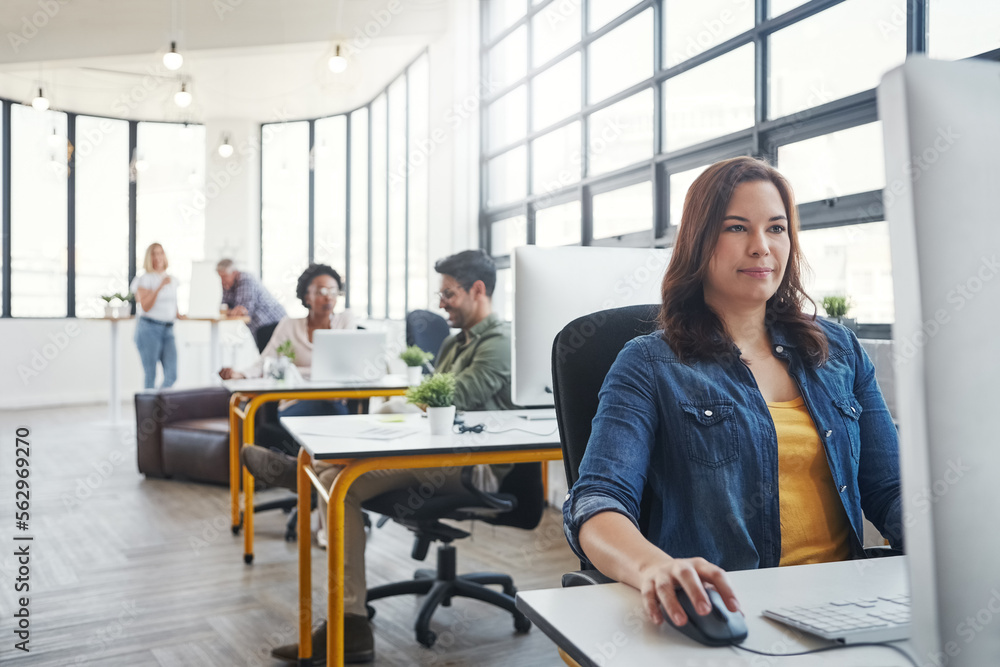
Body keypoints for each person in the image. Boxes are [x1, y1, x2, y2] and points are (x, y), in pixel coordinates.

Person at [562, 156, 902, 631]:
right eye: (737, 228)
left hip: (843, 606)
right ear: (699, 242)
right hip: (729, 608)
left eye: (777, 228)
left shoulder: (838, 349)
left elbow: (891, 489)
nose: (762, 247)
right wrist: (653, 567)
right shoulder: (650, 363)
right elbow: (597, 503)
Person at [254, 249, 515, 664]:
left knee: (343, 484)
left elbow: (449, 396)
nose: (440, 303)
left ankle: (351, 623)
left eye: (448, 294)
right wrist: (408, 407)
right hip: (435, 452)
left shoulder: (500, 341)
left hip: (471, 466)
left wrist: (410, 404)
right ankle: (349, 620)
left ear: (477, 290)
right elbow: (430, 399)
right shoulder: (455, 343)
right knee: (336, 477)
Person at [220, 263, 354, 417]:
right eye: (321, 291)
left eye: (333, 291)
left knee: (333, 411)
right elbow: (266, 361)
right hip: (296, 401)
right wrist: (240, 374)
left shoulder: (345, 321)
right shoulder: (289, 325)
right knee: (328, 412)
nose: (328, 296)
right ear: (307, 297)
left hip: (332, 401)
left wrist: (294, 371)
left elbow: (349, 368)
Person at [131, 243, 181, 389]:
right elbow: (145, 306)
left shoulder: (172, 279)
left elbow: (172, 303)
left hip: (168, 329)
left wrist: (178, 314)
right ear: (149, 257)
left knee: (172, 375)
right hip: (149, 329)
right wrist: (159, 286)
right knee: (150, 375)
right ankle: (148, 410)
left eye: (160, 253)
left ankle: (157, 407)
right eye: (154, 254)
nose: (158, 257)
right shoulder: (144, 279)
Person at [217, 258, 287, 352]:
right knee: (266, 357)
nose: (222, 281)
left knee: (275, 357)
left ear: (234, 273)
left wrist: (231, 311)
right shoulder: (227, 285)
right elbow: (223, 307)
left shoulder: (245, 279)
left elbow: (244, 311)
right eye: (220, 277)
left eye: (224, 277)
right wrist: (230, 310)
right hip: (260, 327)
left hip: (273, 323)